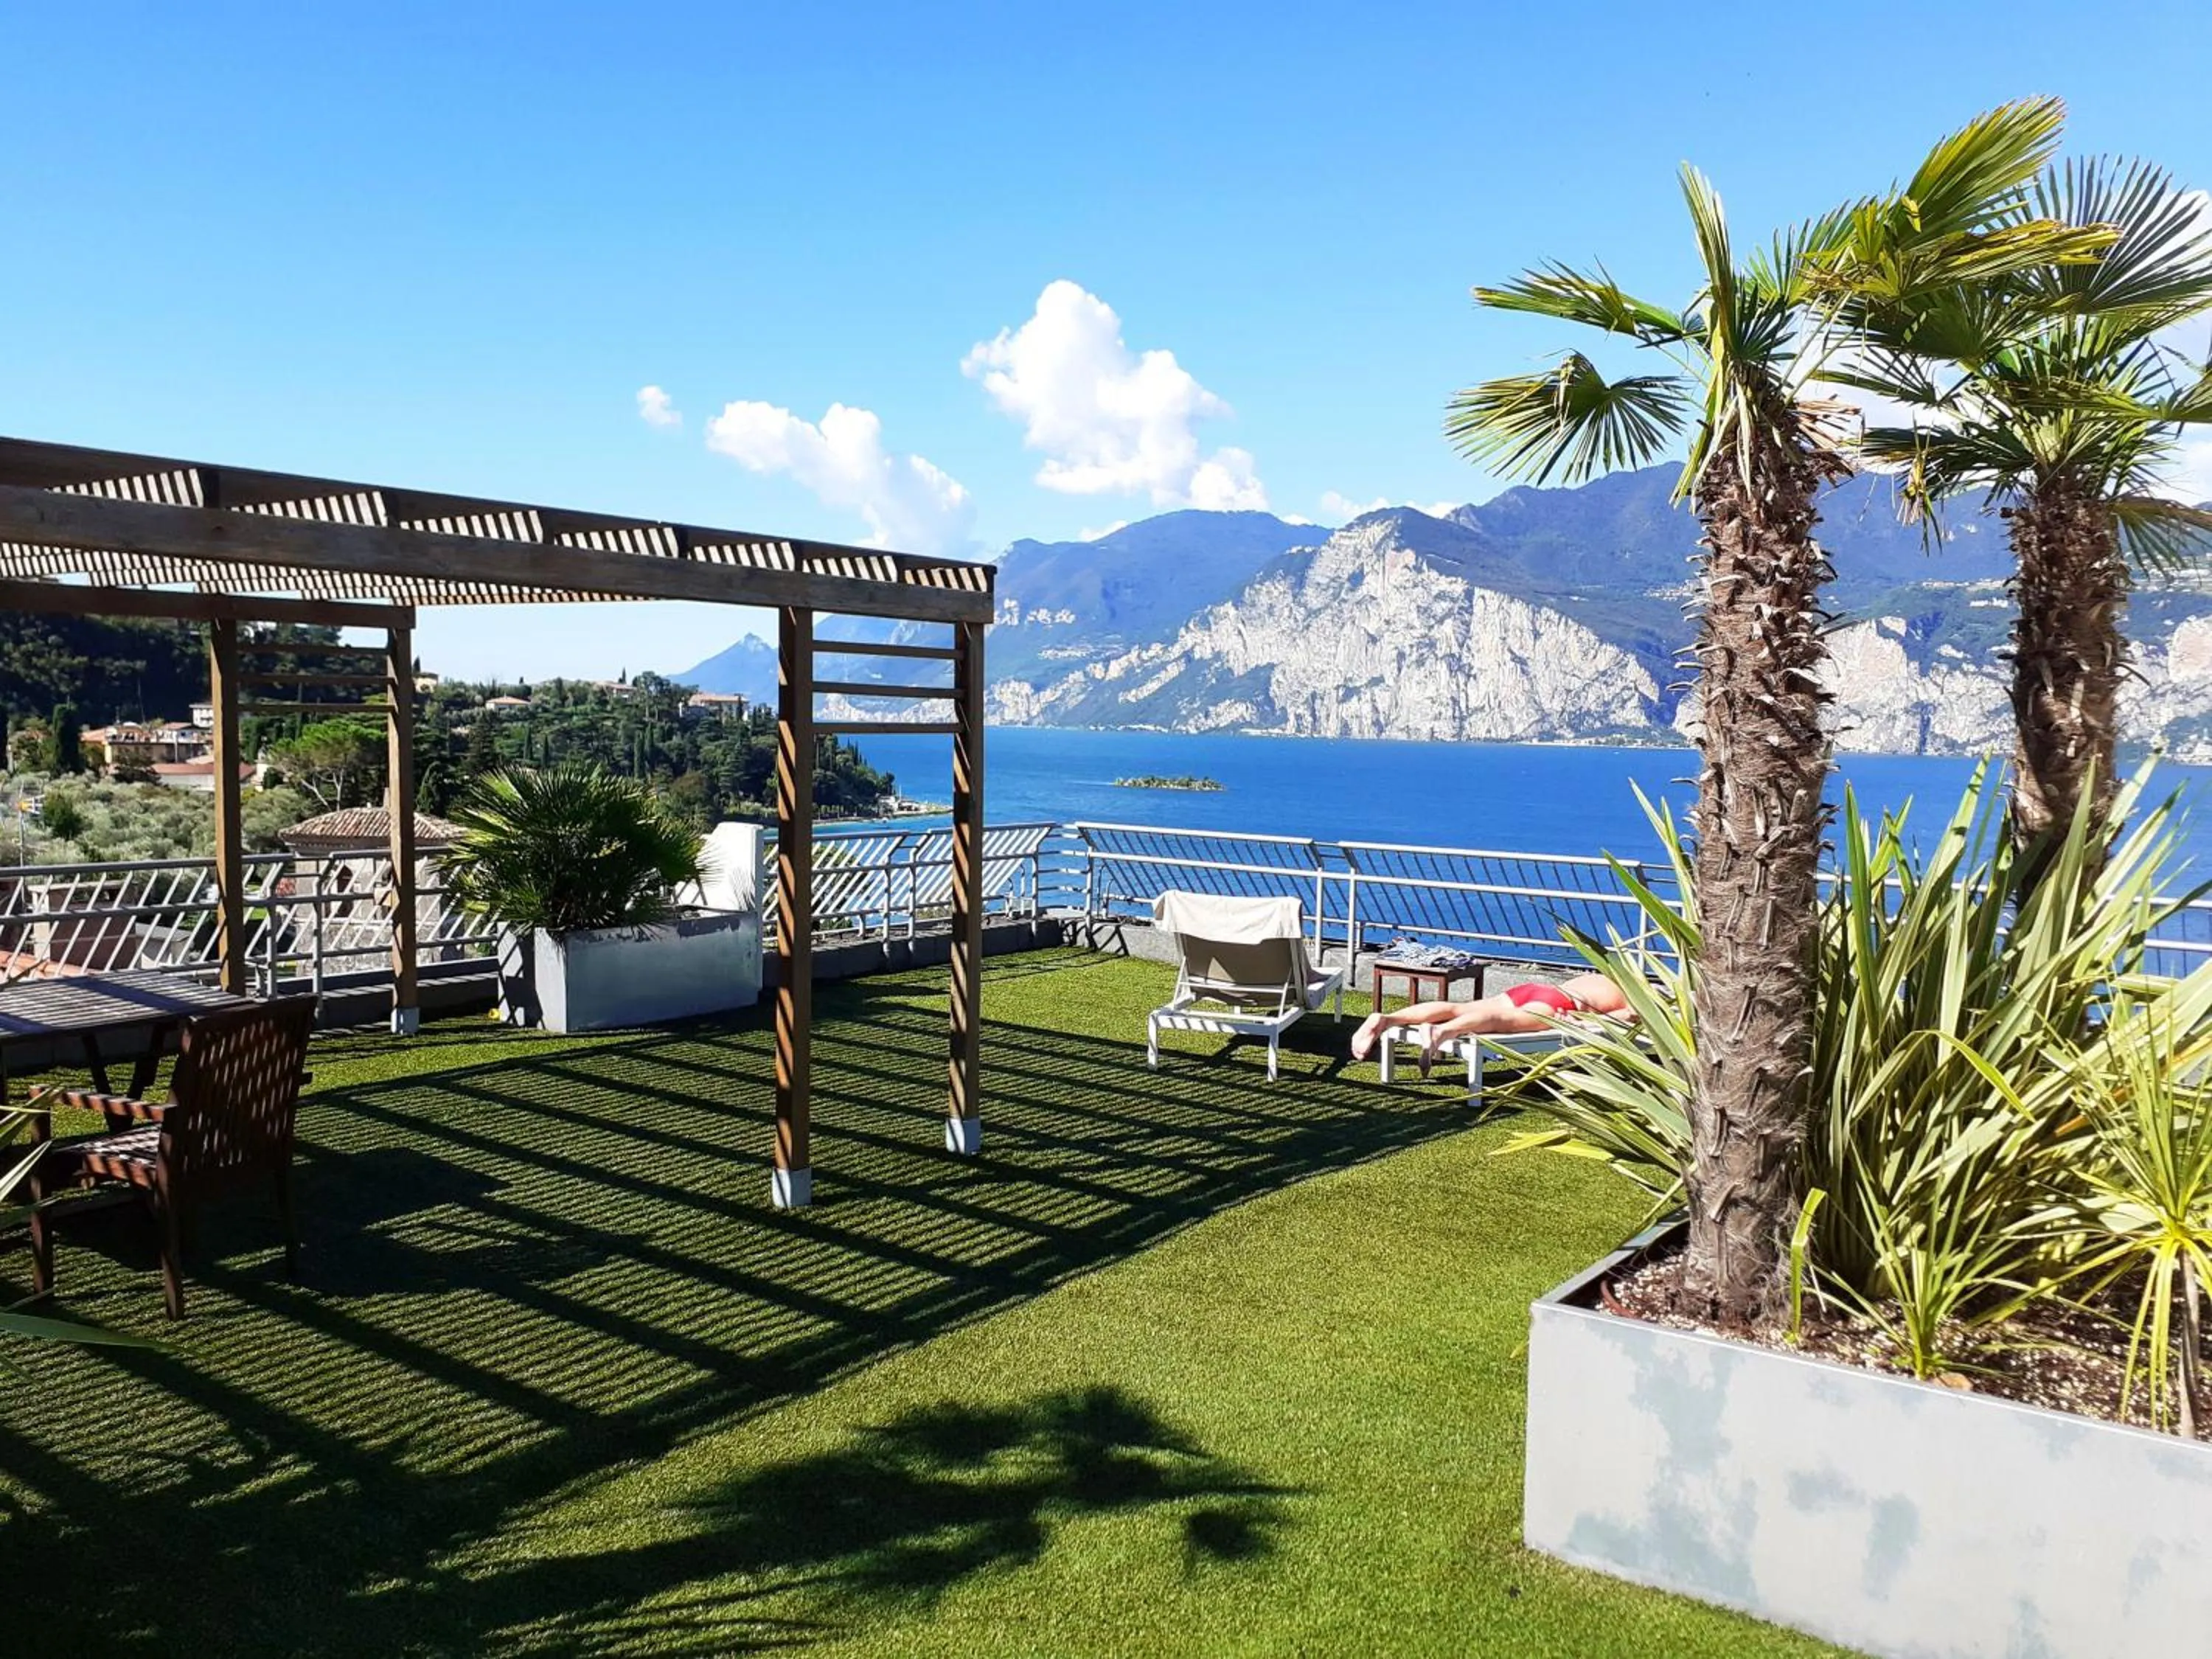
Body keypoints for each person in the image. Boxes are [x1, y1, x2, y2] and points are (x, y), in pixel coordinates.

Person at [1349, 970, 1633, 1073]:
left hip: (1535, 990)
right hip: (1561, 1004)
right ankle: (1442, 1031)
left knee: (1459, 1007)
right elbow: (1628, 1016)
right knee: (1502, 1021)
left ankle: (1387, 1019)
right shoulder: (1636, 995)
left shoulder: (1605, 975)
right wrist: (1581, 1022)